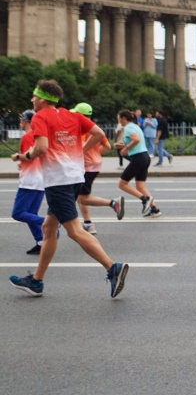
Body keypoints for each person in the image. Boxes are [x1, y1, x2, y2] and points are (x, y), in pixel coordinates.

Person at [9, 79, 128, 298]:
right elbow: (99, 133)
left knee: (74, 230)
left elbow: (41, 147)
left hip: (58, 181)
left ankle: (112, 268)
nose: (31, 100)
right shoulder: (72, 115)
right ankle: (36, 281)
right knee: (48, 228)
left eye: (33, 97)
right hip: (74, 177)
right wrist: (80, 151)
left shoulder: (40, 117)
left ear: (42, 99)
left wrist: (25, 156)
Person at [71, 102, 124, 235]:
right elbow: (107, 146)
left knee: (81, 198)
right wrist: (94, 154)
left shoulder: (81, 129)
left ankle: (113, 203)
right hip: (95, 165)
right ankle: (88, 223)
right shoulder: (95, 128)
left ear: (79, 115)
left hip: (85, 166)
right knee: (81, 196)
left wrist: (86, 154)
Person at [10, 109, 45, 255]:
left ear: (26, 121)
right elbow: (35, 155)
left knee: (18, 213)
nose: (20, 122)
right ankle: (41, 242)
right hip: (41, 180)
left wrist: (17, 157)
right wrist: (22, 161)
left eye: (21, 119)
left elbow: (27, 156)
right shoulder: (39, 136)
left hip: (29, 180)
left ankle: (49, 223)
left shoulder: (26, 137)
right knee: (31, 213)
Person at [115, 109, 160, 218]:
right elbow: (136, 141)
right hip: (144, 157)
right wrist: (122, 146)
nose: (119, 122)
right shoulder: (135, 126)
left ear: (124, 119)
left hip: (138, 158)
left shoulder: (128, 127)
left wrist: (125, 149)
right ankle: (154, 209)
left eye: (119, 119)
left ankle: (145, 199)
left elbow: (136, 139)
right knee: (140, 186)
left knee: (122, 184)